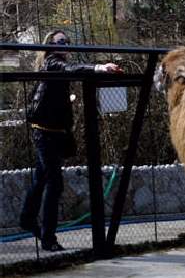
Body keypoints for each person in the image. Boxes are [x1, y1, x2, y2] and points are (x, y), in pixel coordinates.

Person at [19, 30, 122, 251]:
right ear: (50, 46)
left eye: (66, 41)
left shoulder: (54, 66)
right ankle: (48, 239)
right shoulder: (52, 63)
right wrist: (97, 68)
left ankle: (27, 219)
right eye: (60, 42)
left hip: (54, 132)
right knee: (54, 184)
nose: (64, 45)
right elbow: (70, 69)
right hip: (44, 133)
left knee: (41, 180)